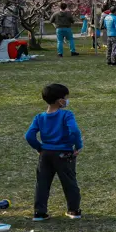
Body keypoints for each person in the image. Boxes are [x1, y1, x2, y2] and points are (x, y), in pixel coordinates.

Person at [25, 82, 82, 221]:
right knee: (69, 182)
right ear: (60, 100)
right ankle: (74, 210)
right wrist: (77, 146)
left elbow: (29, 136)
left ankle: (40, 212)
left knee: (42, 183)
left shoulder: (39, 117)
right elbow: (74, 131)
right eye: (66, 97)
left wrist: (39, 148)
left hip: (46, 154)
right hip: (64, 153)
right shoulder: (66, 115)